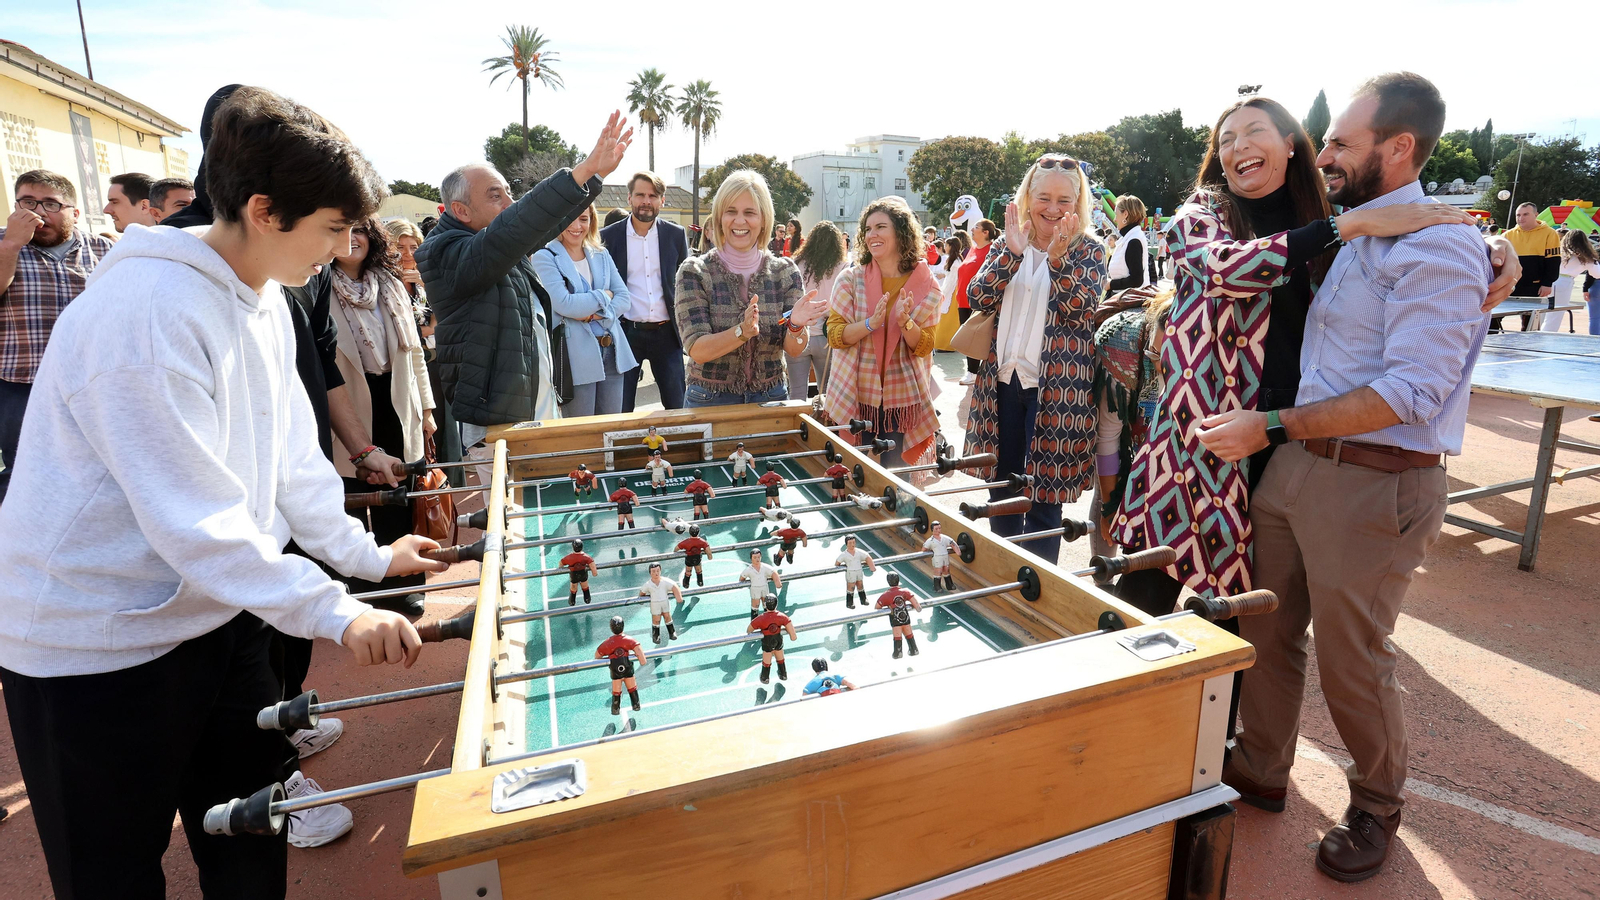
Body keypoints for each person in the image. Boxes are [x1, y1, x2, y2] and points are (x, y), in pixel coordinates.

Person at [0, 86, 448, 899]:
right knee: (112, 877)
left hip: (214, 615)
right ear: (264, 208)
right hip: (88, 652)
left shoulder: (268, 297)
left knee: (250, 844)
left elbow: (291, 462)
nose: (346, 246)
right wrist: (341, 614)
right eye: (334, 228)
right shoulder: (143, 316)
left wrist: (368, 560)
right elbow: (195, 522)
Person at [1196, 73, 1494, 884]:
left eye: (1340, 143)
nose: (1322, 154)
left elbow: (1411, 391)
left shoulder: (1440, 243)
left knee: (1352, 658)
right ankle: (1261, 769)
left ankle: (1375, 805)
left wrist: (1274, 426)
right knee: (1266, 628)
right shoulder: (1358, 231)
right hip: (1296, 467)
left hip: (1375, 479)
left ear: (1399, 149)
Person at [1111, 96, 1486, 616]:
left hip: (1284, 440)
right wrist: (1347, 228)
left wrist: (1497, 254)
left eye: (1254, 132)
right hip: (1197, 444)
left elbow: (1433, 242)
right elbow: (1225, 269)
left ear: (1290, 145)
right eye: (1225, 140)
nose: (1238, 147)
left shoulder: (1326, 215)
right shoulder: (1202, 215)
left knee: (1246, 619)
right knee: (1139, 608)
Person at [419, 113, 632, 491]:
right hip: (497, 424)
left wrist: (592, 177)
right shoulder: (445, 252)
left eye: (508, 191)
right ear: (461, 211)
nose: (509, 201)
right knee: (511, 533)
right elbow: (513, 229)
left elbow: (539, 226)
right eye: (495, 195)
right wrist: (580, 172)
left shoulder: (501, 248)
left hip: (533, 413)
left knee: (540, 524)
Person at [961, 155, 1108, 564]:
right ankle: (1006, 567)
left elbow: (1080, 308)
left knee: (1044, 494)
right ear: (1028, 197)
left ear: (1078, 203)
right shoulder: (1008, 241)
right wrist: (1010, 254)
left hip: (1059, 391)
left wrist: (1058, 261)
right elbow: (977, 297)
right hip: (1002, 382)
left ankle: (1038, 583)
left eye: (1064, 199)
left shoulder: (1091, 250)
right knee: (1001, 484)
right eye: (1044, 197)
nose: (1053, 208)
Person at [327, 215, 438, 603]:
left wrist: (426, 408)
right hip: (347, 402)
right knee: (353, 497)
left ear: (372, 236)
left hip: (397, 399)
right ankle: (363, 590)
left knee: (400, 495)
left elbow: (416, 355)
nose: (352, 238)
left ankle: (406, 586)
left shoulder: (390, 284)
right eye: (343, 230)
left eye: (359, 230)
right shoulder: (315, 284)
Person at [0, 169, 115, 503]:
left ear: (74, 212)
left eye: (51, 203)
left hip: (89, 383)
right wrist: (10, 245)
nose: (37, 212)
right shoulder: (4, 243)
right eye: (28, 202)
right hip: (21, 385)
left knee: (94, 471)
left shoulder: (104, 250)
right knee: (24, 473)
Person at [674, 170, 824, 407]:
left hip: (770, 397)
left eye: (750, 213)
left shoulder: (785, 271)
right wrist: (741, 332)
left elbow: (794, 349)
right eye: (731, 211)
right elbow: (697, 349)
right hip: (709, 399)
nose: (740, 221)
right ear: (719, 218)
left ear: (764, 219)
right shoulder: (695, 271)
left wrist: (795, 326)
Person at [824, 196, 941, 469]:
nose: (871, 234)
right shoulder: (850, 279)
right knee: (854, 473)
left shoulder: (927, 284)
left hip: (902, 400)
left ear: (901, 232)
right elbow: (835, 335)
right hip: (857, 394)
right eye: (867, 229)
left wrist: (905, 323)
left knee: (897, 479)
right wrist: (870, 324)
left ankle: (899, 512)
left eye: (880, 227)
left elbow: (925, 347)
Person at [533, 203, 637, 417]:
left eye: (583, 218)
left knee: (610, 429)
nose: (576, 226)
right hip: (574, 356)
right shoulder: (545, 256)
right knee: (581, 433)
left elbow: (625, 298)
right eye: (569, 218)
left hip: (613, 352)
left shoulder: (601, 253)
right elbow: (564, 304)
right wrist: (605, 296)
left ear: (591, 220)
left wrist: (591, 314)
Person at [600, 172, 690, 411]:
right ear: (629, 197)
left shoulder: (676, 235)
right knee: (621, 408)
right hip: (626, 333)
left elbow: (685, 285)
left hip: (667, 335)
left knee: (677, 406)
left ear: (662, 200)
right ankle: (625, 450)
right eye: (640, 194)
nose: (646, 201)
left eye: (653, 195)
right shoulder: (608, 237)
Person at [386, 216, 462, 484]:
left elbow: (443, 318)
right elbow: (408, 331)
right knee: (419, 433)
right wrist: (429, 330)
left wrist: (427, 285)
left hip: (436, 363)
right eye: (400, 247)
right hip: (407, 367)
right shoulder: (384, 284)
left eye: (413, 247)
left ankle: (443, 487)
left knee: (442, 430)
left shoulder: (425, 281)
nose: (407, 254)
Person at [787, 221, 848, 400]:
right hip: (827, 336)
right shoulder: (842, 267)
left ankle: (798, 427)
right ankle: (823, 427)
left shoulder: (795, 263)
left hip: (797, 334)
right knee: (828, 396)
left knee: (796, 394)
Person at [1502, 201, 1561, 330]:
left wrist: (1547, 283)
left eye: (1525, 214)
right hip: (1510, 284)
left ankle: (1529, 347)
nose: (1520, 218)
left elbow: (1553, 261)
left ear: (1536, 215)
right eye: (1518, 215)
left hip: (1534, 285)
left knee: (1529, 323)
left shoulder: (1550, 233)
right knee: (1493, 316)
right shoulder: (1507, 235)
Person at [952, 219, 997, 386]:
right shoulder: (972, 249)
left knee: (977, 338)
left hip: (979, 303)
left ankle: (973, 372)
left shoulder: (992, 250)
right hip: (963, 301)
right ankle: (972, 371)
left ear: (985, 232)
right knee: (968, 337)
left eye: (976, 227)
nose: (972, 229)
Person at [1543, 229, 1600, 332]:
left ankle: (1537, 337)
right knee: (1554, 316)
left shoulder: (1557, 250)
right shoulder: (1586, 256)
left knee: (1542, 313)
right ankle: (1545, 340)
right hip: (1564, 283)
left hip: (1546, 280)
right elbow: (1597, 274)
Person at [595, 615, 647, 715]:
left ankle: (615, 708)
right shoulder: (629, 640)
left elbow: (597, 656)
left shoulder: (608, 643)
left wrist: (610, 657)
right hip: (628, 669)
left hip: (615, 671)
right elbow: (642, 658)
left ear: (611, 628)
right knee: (632, 688)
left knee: (616, 691)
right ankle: (636, 704)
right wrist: (640, 659)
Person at [933, 232, 971, 351]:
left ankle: (946, 344)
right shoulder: (955, 259)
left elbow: (951, 280)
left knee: (947, 319)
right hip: (953, 290)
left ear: (951, 246)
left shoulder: (955, 262)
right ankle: (945, 344)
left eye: (946, 245)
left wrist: (943, 292)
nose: (945, 247)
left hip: (952, 292)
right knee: (947, 318)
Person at [1105, 195, 1151, 293]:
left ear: (1125, 214)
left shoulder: (1133, 240)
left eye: (1116, 215)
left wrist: (1111, 284)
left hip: (1127, 300)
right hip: (1124, 297)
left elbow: (1136, 280)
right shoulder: (1131, 237)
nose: (1115, 219)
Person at [746, 595, 796, 683]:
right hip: (778, 640)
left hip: (767, 641)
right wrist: (792, 636)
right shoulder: (782, 616)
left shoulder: (761, 618)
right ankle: (783, 673)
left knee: (767, 657)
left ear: (765, 605)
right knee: (780, 655)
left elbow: (749, 629)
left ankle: (765, 677)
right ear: (776, 604)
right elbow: (791, 630)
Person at [874, 572, 921, 658]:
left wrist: (888, 607)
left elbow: (877, 607)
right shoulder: (905, 592)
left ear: (888, 582)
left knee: (897, 635)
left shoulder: (885, 595)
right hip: (905, 617)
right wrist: (917, 608)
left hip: (895, 618)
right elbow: (916, 605)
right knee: (909, 633)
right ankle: (914, 649)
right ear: (898, 580)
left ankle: (898, 652)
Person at [638, 563, 681, 643]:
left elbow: (674, 586)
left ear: (660, 571)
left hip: (664, 602)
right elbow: (642, 592)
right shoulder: (648, 584)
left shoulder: (665, 581)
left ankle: (672, 632)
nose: (656, 573)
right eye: (653, 571)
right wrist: (641, 600)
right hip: (655, 603)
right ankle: (656, 635)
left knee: (667, 616)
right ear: (650, 573)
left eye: (657, 571)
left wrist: (678, 597)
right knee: (656, 619)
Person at [738, 548, 783, 617]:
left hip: (764, 587)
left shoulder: (764, 567)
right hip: (755, 588)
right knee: (755, 605)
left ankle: (767, 620)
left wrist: (777, 582)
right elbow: (742, 577)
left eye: (758, 557)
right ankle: (754, 621)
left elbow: (773, 572)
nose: (757, 559)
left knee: (766, 604)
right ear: (751, 558)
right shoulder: (749, 569)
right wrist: (742, 583)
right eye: (755, 557)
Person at [834, 534, 875, 608]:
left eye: (853, 542)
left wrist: (872, 567)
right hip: (851, 572)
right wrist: (839, 567)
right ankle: (849, 603)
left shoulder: (858, 552)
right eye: (850, 543)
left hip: (859, 571)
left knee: (860, 585)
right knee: (851, 587)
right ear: (846, 544)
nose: (852, 545)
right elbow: (837, 563)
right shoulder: (844, 555)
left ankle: (863, 599)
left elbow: (867, 556)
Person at [922, 520, 958, 590]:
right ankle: (937, 586)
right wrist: (929, 551)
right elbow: (924, 549)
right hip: (937, 557)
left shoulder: (944, 538)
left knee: (946, 570)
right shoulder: (930, 540)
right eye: (936, 529)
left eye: (939, 528)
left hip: (945, 556)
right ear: (932, 530)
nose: (938, 530)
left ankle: (949, 585)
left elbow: (952, 542)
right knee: (938, 571)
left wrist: (958, 551)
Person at [561, 539, 598, 606]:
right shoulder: (586, 557)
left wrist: (562, 568)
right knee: (585, 586)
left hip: (573, 575)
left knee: (573, 587)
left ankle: (572, 601)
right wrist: (594, 573)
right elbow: (593, 566)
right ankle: (587, 599)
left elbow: (561, 563)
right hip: (583, 574)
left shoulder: (569, 557)